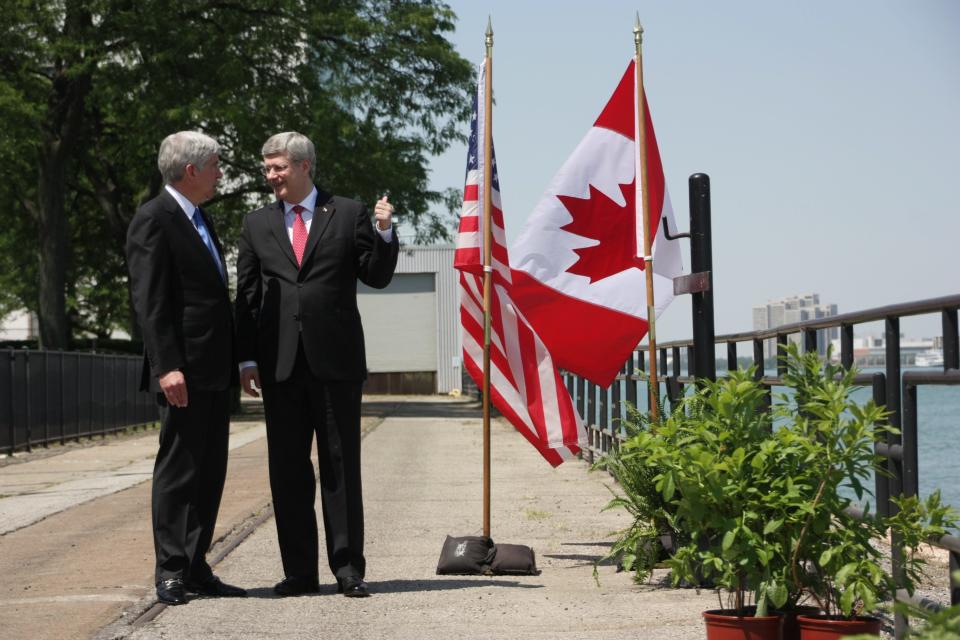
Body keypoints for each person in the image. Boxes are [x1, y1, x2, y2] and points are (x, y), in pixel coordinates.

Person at [235, 131, 398, 598]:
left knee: (340, 467)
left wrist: (385, 233)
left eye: (278, 167)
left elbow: (377, 274)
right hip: (279, 364)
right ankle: (300, 573)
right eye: (266, 169)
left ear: (305, 165)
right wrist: (246, 357)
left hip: (336, 363)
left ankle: (348, 569)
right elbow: (246, 297)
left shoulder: (348, 213)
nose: (270, 177)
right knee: (287, 471)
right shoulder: (256, 223)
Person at [126, 131, 246, 605]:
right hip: (183, 372)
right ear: (191, 170)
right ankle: (171, 571)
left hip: (213, 369)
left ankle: (196, 566)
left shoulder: (200, 217)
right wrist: (167, 366)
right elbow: (150, 302)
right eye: (216, 165)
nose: (221, 173)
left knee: (211, 471)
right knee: (178, 472)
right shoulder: (154, 219)